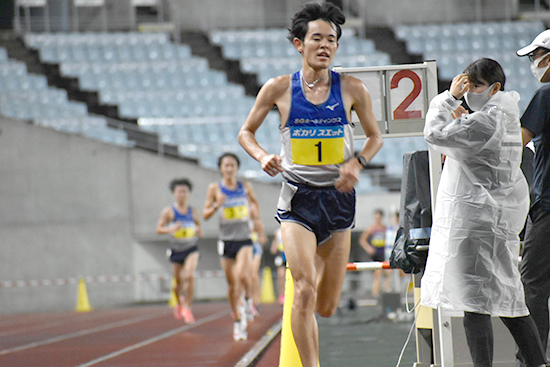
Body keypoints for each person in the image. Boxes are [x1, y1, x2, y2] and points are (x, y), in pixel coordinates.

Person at [237, 3, 383, 365]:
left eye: (331, 39)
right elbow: (245, 133)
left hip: (338, 200)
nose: (325, 45)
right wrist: (262, 156)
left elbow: (375, 137)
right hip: (297, 201)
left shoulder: (351, 88)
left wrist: (357, 162)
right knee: (302, 290)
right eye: (316, 38)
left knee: (327, 306)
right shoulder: (279, 89)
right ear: (298, 44)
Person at [420, 58, 547, 367]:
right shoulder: (502, 118)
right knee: (509, 300)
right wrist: (463, 117)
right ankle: (537, 362)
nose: (470, 92)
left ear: (495, 88)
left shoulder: (484, 122)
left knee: (474, 303)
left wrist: (448, 98)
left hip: (474, 224)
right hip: (497, 223)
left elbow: (434, 134)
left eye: (475, 86)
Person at [202, 152, 266, 341]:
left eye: (232, 165)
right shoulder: (214, 189)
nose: (229, 169)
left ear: (236, 168)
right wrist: (216, 205)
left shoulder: (245, 186)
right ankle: (238, 321)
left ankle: (247, 301)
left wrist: (256, 219)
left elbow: (254, 203)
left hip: (244, 239)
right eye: (225, 165)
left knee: (244, 275)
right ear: (220, 168)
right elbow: (205, 214)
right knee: (231, 285)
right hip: (226, 241)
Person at [516, 30, 550, 366]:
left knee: (534, 284)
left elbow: (515, 144)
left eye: (535, 57)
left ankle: (533, 359)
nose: (533, 64)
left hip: (548, 206)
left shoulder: (546, 95)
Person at [156, 178, 203, 323]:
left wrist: (198, 231)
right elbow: (159, 229)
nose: (182, 194)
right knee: (178, 282)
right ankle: (179, 303)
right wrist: (171, 228)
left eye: (185, 192)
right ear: (174, 193)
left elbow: (199, 228)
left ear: (188, 193)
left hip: (191, 248)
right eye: (179, 192)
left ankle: (187, 307)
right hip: (176, 249)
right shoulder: (169, 212)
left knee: (189, 275)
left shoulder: (193, 211)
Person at [359, 208, 391, 298]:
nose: (377, 219)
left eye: (379, 217)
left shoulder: (384, 229)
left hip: (384, 253)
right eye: (376, 217)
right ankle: (375, 295)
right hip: (375, 254)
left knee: (387, 273)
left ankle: (386, 292)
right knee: (377, 274)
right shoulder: (371, 228)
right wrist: (368, 248)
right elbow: (362, 240)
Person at [270, 226, 286, 305]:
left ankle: (293, 294)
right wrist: (274, 246)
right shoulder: (278, 232)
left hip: (289, 254)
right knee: (281, 275)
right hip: (281, 254)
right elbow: (273, 249)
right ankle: (282, 295)